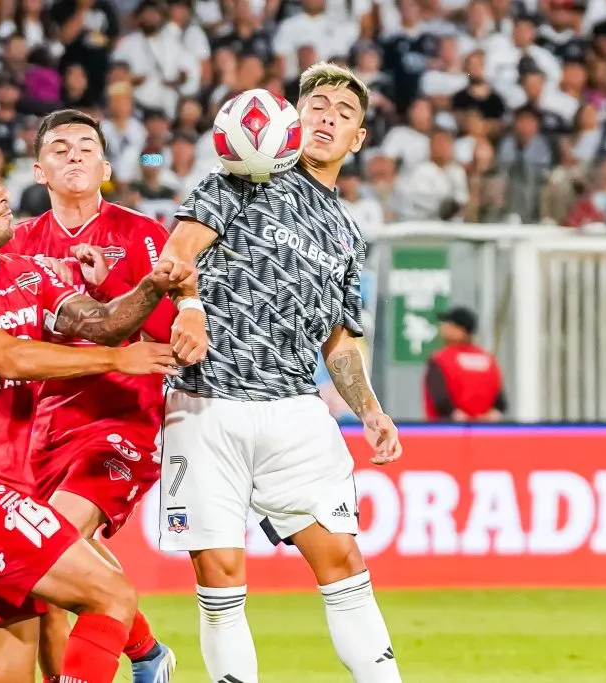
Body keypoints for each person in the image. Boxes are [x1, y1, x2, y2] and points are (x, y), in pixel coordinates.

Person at [0, 143, 195, 683]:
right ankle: (149, 657)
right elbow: (8, 357)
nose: (0, 194)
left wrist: (151, 285)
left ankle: (149, 656)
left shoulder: (27, 274)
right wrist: (117, 361)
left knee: (6, 677)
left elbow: (103, 323)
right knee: (111, 597)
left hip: (4, 491)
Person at [159, 62, 404, 683]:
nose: (328, 117)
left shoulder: (348, 233)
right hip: (206, 400)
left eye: (344, 113)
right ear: (293, 119)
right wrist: (190, 307)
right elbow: (176, 255)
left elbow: (340, 341)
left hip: (295, 410)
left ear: (358, 139)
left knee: (343, 562)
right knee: (219, 577)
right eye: (317, 105)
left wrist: (371, 410)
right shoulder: (239, 177)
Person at [3, 108, 193, 683]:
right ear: (39, 171)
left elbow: (173, 334)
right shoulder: (18, 245)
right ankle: (146, 652)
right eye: (59, 147)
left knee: (49, 546)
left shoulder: (143, 235)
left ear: (106, 167)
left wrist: (112, 287)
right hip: (40, 424)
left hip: (122, 415)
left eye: (87, 146)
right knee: (49, 585)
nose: (74, 154)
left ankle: (144, 654)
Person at [423, 306, 507, 422]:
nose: (442, 328)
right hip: (485, 429)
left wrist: (463, 420)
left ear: (461, 331)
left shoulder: (440, 359)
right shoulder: (489, 360)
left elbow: (440, 400)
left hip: (445, 429)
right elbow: (500, 403)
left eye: (448, 324)